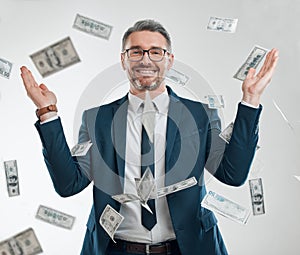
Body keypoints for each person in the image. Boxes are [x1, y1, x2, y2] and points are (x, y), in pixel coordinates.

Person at [20, 19, 278, 255]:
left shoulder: (200, 115)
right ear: (123, 60)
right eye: (136, 52)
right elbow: (68, 185)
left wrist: (250, 100)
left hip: (188, 248)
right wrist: (47, 113)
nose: (146, 60)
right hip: (115, 249)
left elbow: (233, 175)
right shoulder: (96, 119)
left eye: (156, 52)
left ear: (169, 60)